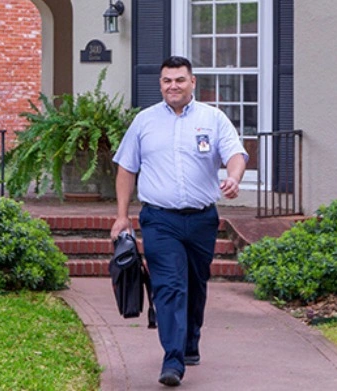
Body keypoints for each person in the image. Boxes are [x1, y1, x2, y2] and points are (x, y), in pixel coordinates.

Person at [110, 56, 248, 387]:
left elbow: (236, 154)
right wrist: (121, 216)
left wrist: (233, 177)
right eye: (167, 80)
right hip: (159, 219)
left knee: (196, 284)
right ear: (160, 84)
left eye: (180, 80)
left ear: (192, 82)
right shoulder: (144, 122)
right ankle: (172, 359)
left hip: (202, 219)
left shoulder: (212, 119)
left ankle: (189, 343)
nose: (173, 85)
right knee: (169, 285)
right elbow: (126, 168)